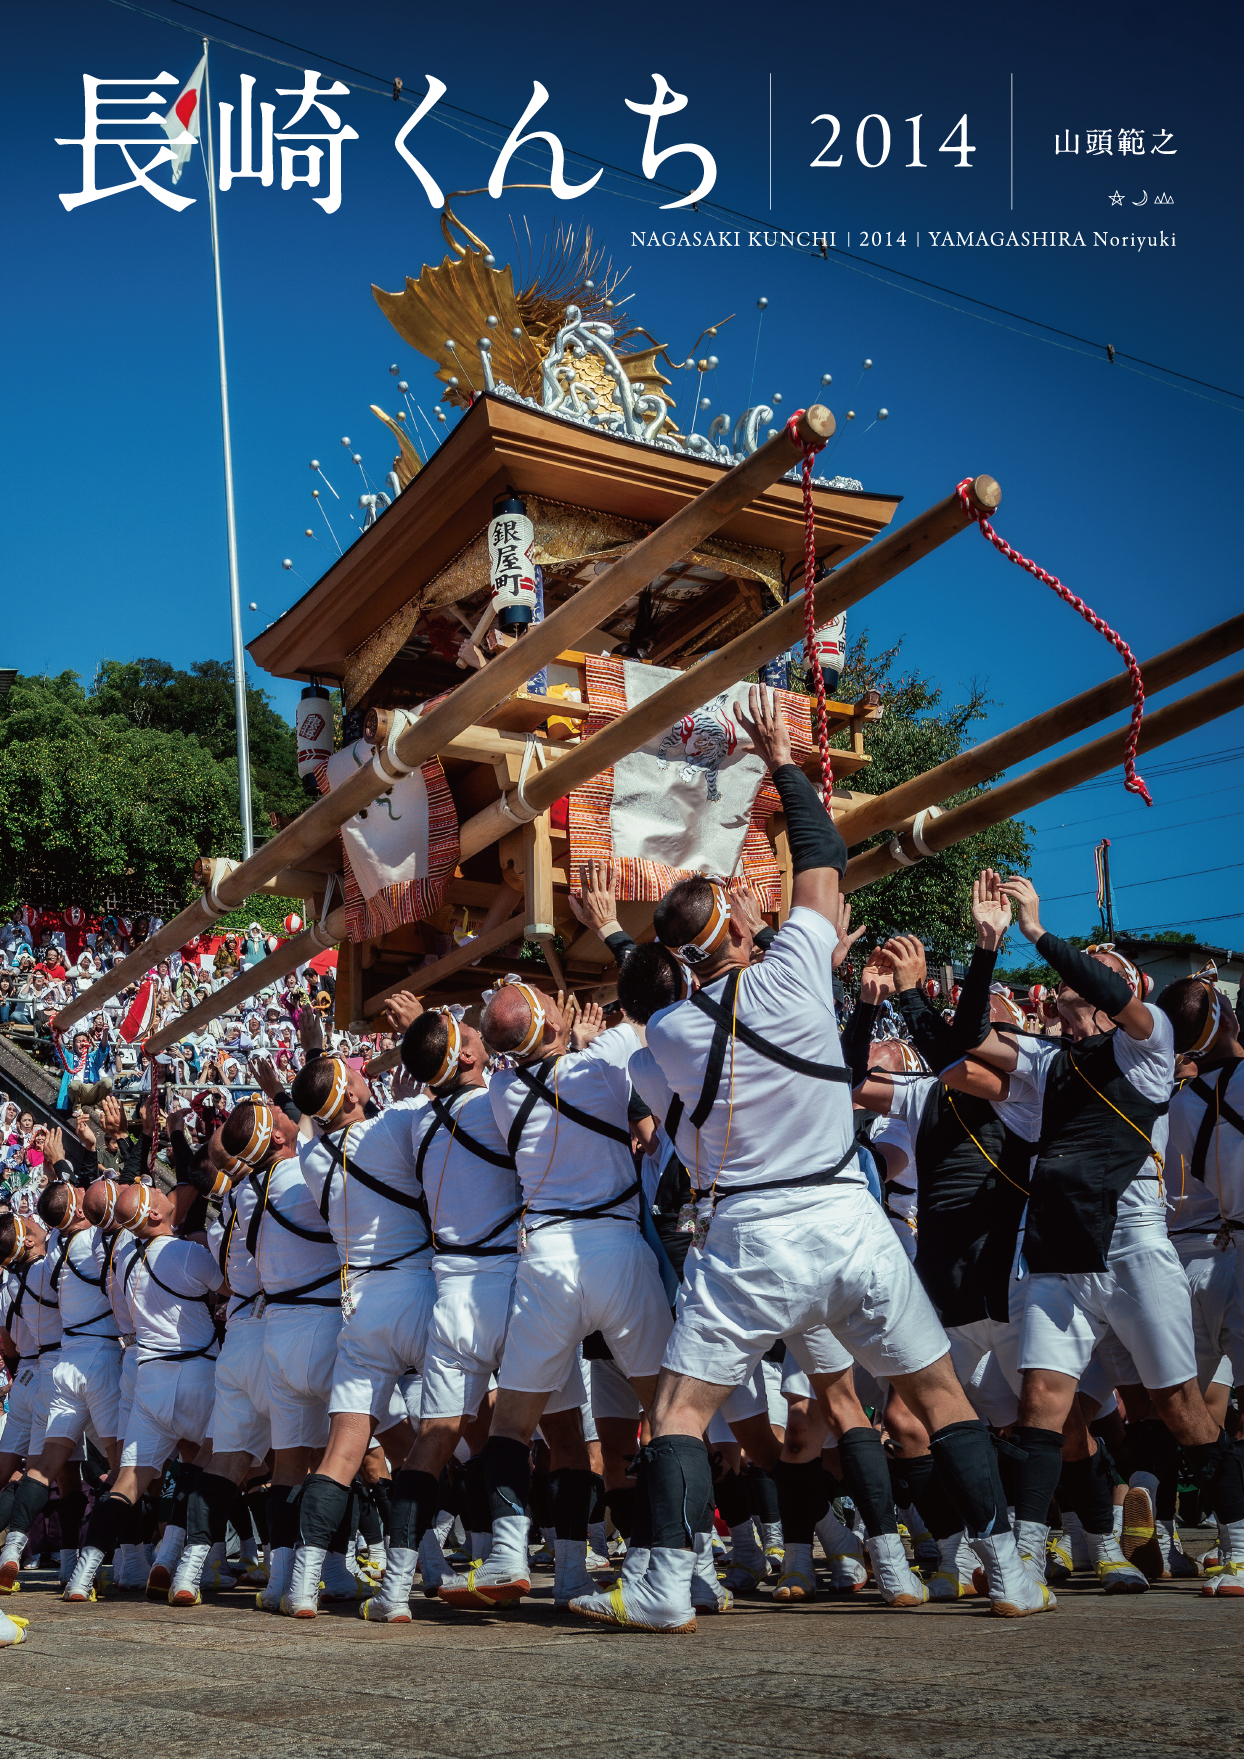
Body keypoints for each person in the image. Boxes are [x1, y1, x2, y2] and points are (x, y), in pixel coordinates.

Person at [571, 685, 1049, 1634]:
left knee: (675, 1409)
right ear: (744, 935)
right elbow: (824, 859)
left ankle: (665, 1586)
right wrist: (783, 760)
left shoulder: (664, 1033)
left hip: (749, 1234)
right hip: (847, 1221)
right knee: (938, 1394)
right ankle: (1008, 1568)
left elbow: (648, 997)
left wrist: (619, 937)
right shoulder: (794, 967)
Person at [960, 875, 1244, 1599]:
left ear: (1122, 996)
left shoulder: (1146, 1045)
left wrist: (1038, 935)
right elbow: (968, 1035)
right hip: (1059, 1253)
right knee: (1040, 1406)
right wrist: (988, 947)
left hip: (1134, 1250)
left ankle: (1239, 1543)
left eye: (1089, 984)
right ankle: (1023, 1559)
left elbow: (1112, 993)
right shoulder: (1048, 1062)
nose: (1068, 994)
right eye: (1063, 990)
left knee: (1181, 1407)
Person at [435, 972, 674, 1614]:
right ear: (553, 1026)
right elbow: (655, 1023)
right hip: (618, 1253)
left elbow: (541, 1056)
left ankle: (511, 1553)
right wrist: (587, 1037)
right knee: (670, 1415)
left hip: (543, 1261)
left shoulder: (503, 1091)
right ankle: (682, 1566)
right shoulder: (601, 1067)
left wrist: (568, 1037)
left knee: (513, 1424)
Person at [282, 1053, 435, 1619]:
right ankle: (402, 1587)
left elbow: (306, 1122)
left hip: (359, 1306)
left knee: (342, 1453)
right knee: (436, 1442)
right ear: (348, 1096)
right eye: (355, 1075)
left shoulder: (311, 1157)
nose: (364, 1073)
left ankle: (302, 1586)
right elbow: (441, 1089)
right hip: (417, 1291)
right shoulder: (391, 1124)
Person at [63, 1180, 223, 1602]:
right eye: (151, 1193)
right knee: (211, 1466)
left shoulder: (123, 1255)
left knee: (126, 1483)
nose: (158, 1190)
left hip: (149, 1378)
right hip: (197, 1375)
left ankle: (83, 1576)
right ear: (153, 1214)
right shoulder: (186, 1253)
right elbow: (223, 1285)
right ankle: (174, 1562)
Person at [0, 1179, 121, 1593]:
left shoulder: (47, 1259)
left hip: (54, 1366)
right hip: (98, 1358)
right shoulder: (88, 1245)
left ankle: (14, 1550)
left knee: (42, 1470)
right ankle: (111, 1565)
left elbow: (10, 1343)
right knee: (127, 1469)